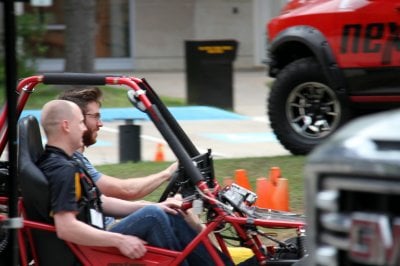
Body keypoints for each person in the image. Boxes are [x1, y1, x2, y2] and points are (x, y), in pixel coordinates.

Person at [37, 100, 235, 265]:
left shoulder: (68, 161)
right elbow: (66, 227)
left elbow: (100, 202)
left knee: (170, 213)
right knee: (154, 216)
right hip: (86, 251)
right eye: (81, 122)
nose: (84, 128)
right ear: (65, 126)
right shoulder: (63, 170)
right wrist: (120, 240)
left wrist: (156, 205)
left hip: (93, 241)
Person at [58, 86, 177, 201]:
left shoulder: (76, 159)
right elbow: (126, 191)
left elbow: (105, 202)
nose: (100, 124)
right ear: (74, 121)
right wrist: (167, 173)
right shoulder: (70, 162)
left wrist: (145, 207)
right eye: (95, 117)